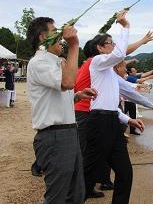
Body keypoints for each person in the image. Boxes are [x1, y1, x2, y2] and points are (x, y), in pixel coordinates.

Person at [83, 10, 153, 203]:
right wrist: (125, 26)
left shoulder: (109, 73)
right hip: (98, 122)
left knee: (125, 172)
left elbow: (125, 95)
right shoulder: (97, 62)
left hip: (111, 121)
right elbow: (120, 53)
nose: (114, 46)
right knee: (88, 172)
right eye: (110, 42)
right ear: (100, 48)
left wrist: (129, 119)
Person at [26, 17, 97, 203]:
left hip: (68, 133)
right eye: (55, 31)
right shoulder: (39, 62)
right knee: (57, 197)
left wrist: (77, 96)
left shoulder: (55, 62)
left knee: (75, 194)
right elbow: (67, 82)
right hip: (54, 137)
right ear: (43, 37)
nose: (61, 37)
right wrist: (74, 46)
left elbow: (58, 95)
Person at [125, 66, 153, 135]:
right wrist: (151, 77)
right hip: (127, 100)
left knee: (132, 115)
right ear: (130, 73)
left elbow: (143, 75)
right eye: (134, 71)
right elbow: (141, 80)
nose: (136, 72)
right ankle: (122, 130)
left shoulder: (133, 76)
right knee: (125, 114)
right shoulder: (129, 78)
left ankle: (132, 130)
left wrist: (152, 71)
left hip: (131, 99)